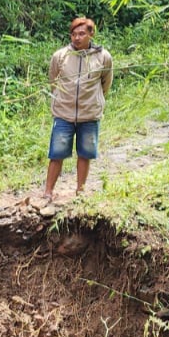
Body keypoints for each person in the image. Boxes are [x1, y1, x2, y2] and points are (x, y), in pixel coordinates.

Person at [43, 16, 114, 201]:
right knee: (56, 154)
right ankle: (48, 192)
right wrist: (61, 99)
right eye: (74, 34)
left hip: (89, 114)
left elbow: (106, 82)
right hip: (63, 113)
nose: (77, 38)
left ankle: (80, 192)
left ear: (91, 34)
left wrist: (96, 100)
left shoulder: (103, 56)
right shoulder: (61, 56)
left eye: (82, 34)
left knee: (85, 154)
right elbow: (53, 81)